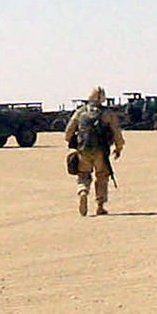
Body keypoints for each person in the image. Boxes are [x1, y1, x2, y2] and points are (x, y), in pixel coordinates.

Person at [64, 86, 125, 216]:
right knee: (102, 176)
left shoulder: (80, 112)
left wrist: (73, 144)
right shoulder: (108, 114)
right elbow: (117, 134)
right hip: (101, 152)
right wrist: (118, 148)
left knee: (83, 174)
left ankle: (83, 191)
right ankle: (100, 205)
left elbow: (68, 133)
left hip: (83, 150)